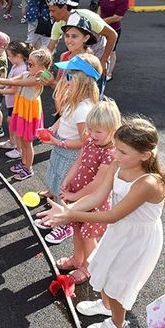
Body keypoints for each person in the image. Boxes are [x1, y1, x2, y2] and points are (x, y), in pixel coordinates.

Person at [38, 116, 165, 328]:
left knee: (118, 284)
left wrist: (71, 215)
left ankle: (117, 323)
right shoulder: (117, 164)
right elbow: (97, 197)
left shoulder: (149, 183)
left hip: (138, 239)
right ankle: (106, 305)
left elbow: (113, 215)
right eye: (116, 148)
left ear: (145, 155)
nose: (115, 154)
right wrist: (67, 209)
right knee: (105, 271)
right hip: (120, 230)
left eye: (123, 151)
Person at [35, 54, 102, 244]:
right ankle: (56, 215)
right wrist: (51, 130)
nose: (64, 79)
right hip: (61, 151)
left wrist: (58, 142)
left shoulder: (84, 109)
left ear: (82, 80)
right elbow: (62, 119)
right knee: (57, 185)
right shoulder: (73, 101)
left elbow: (87, 142)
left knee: (66, 189)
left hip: (71, 156)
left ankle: (65, 225)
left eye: (69, 76)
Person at [55, 100, 121, 285]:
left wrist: (74, 197)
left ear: (113, 130)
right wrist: (67, 180)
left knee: (88, 236)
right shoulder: (91, 141)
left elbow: (98, 183)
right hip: (77, 193)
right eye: (90, 129)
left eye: (98, 131)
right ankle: (77, 258)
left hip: (94, 202)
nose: (92, 134)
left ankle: (88, 267)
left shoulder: (111, 152)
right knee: (76, 228)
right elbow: (79, 162)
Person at [0, 49, 53, 181]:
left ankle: (28, 168)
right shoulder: (26, 74)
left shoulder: (37, 80)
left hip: (30, 113)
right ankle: (24, 162)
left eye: (31, 64)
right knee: (22, 140)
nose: (28, 66)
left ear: (42, 67)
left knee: (27, 142)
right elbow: (11, 80)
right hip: (22, 110)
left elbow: (14, 83)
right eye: (28, 63)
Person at [47, 0, 118, 82]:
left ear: (64, 7)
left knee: (92, 89)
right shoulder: (58, 24)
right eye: (67, 35)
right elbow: (49, 49)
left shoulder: (88, 17)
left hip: (96, 58)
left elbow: (112, 35)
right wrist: (43, 67)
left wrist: (103, 61)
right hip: (77, 58)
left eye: (53, 10)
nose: (51, 14)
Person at [0, 41, 31, 159]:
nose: (8, 58)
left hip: (17, 103)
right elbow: (9, 82)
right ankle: (12, 142)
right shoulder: (16, 66)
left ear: (19, 56)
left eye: (10, 56)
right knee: (11, 123)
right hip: (12, 102)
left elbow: (14, 90)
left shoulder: (21, 69)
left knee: (16, 125)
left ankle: (19, 149)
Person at [98, 0, 130, 81]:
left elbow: (117, 17)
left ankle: (109, 73)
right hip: (101, 25)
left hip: (113, 28)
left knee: (111, 50)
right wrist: (98, 18)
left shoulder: (124, 0)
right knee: (99, 47)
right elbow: (101, 6)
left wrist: (102, 22)